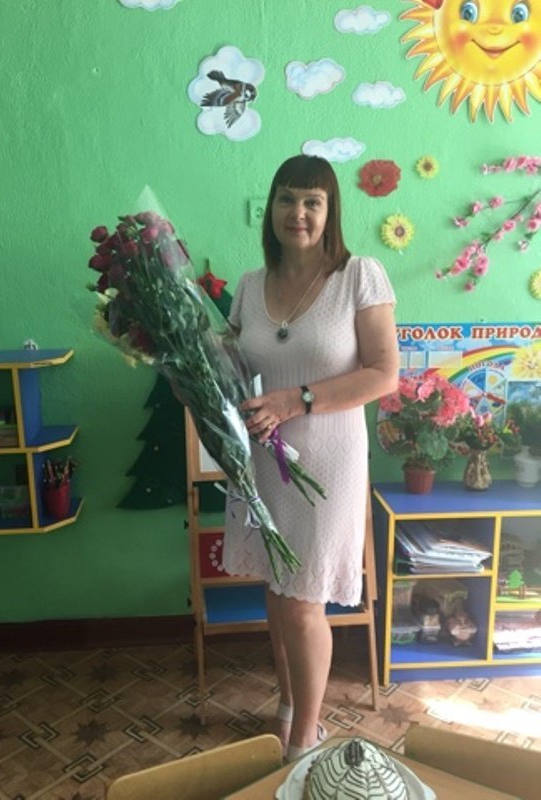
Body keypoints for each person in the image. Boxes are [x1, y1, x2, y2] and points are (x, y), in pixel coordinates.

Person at [222, 154, 399, 761]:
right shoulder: (250, 285)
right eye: (287, 199)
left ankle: (304, 739)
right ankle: (289, 703)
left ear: (330, 212)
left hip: (326, 462)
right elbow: (234, 369)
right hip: (264, 462)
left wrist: (296, 400)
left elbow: (384, 374)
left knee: (302, 601)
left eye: (312, 202)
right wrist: (186, 367)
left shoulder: (359, 276)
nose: (297, 213)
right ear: (270, 208)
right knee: (278, 595)